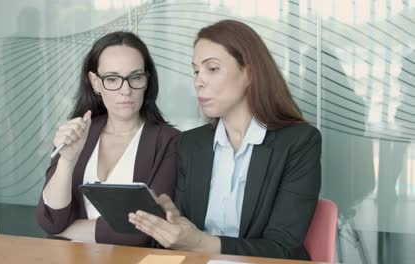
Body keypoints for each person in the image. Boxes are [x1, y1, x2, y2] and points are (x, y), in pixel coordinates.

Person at [128, 20, 322, 260]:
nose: (198, 81)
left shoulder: (298, 142)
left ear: (250, 73)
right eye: (196, 71)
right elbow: (185, 233)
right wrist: (172, 220)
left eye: (212, 68)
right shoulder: (191, 144)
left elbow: (281, 248)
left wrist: (200, 243)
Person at [36, 32, 180, 247]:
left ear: (147, 80)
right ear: (95, 82)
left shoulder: (169, 141)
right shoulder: (78, 133)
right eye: (112, 79)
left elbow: (145, 230)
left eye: (135, 77)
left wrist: (67, 230)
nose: (126, 90)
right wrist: (67, 161)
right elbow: (50, 219)